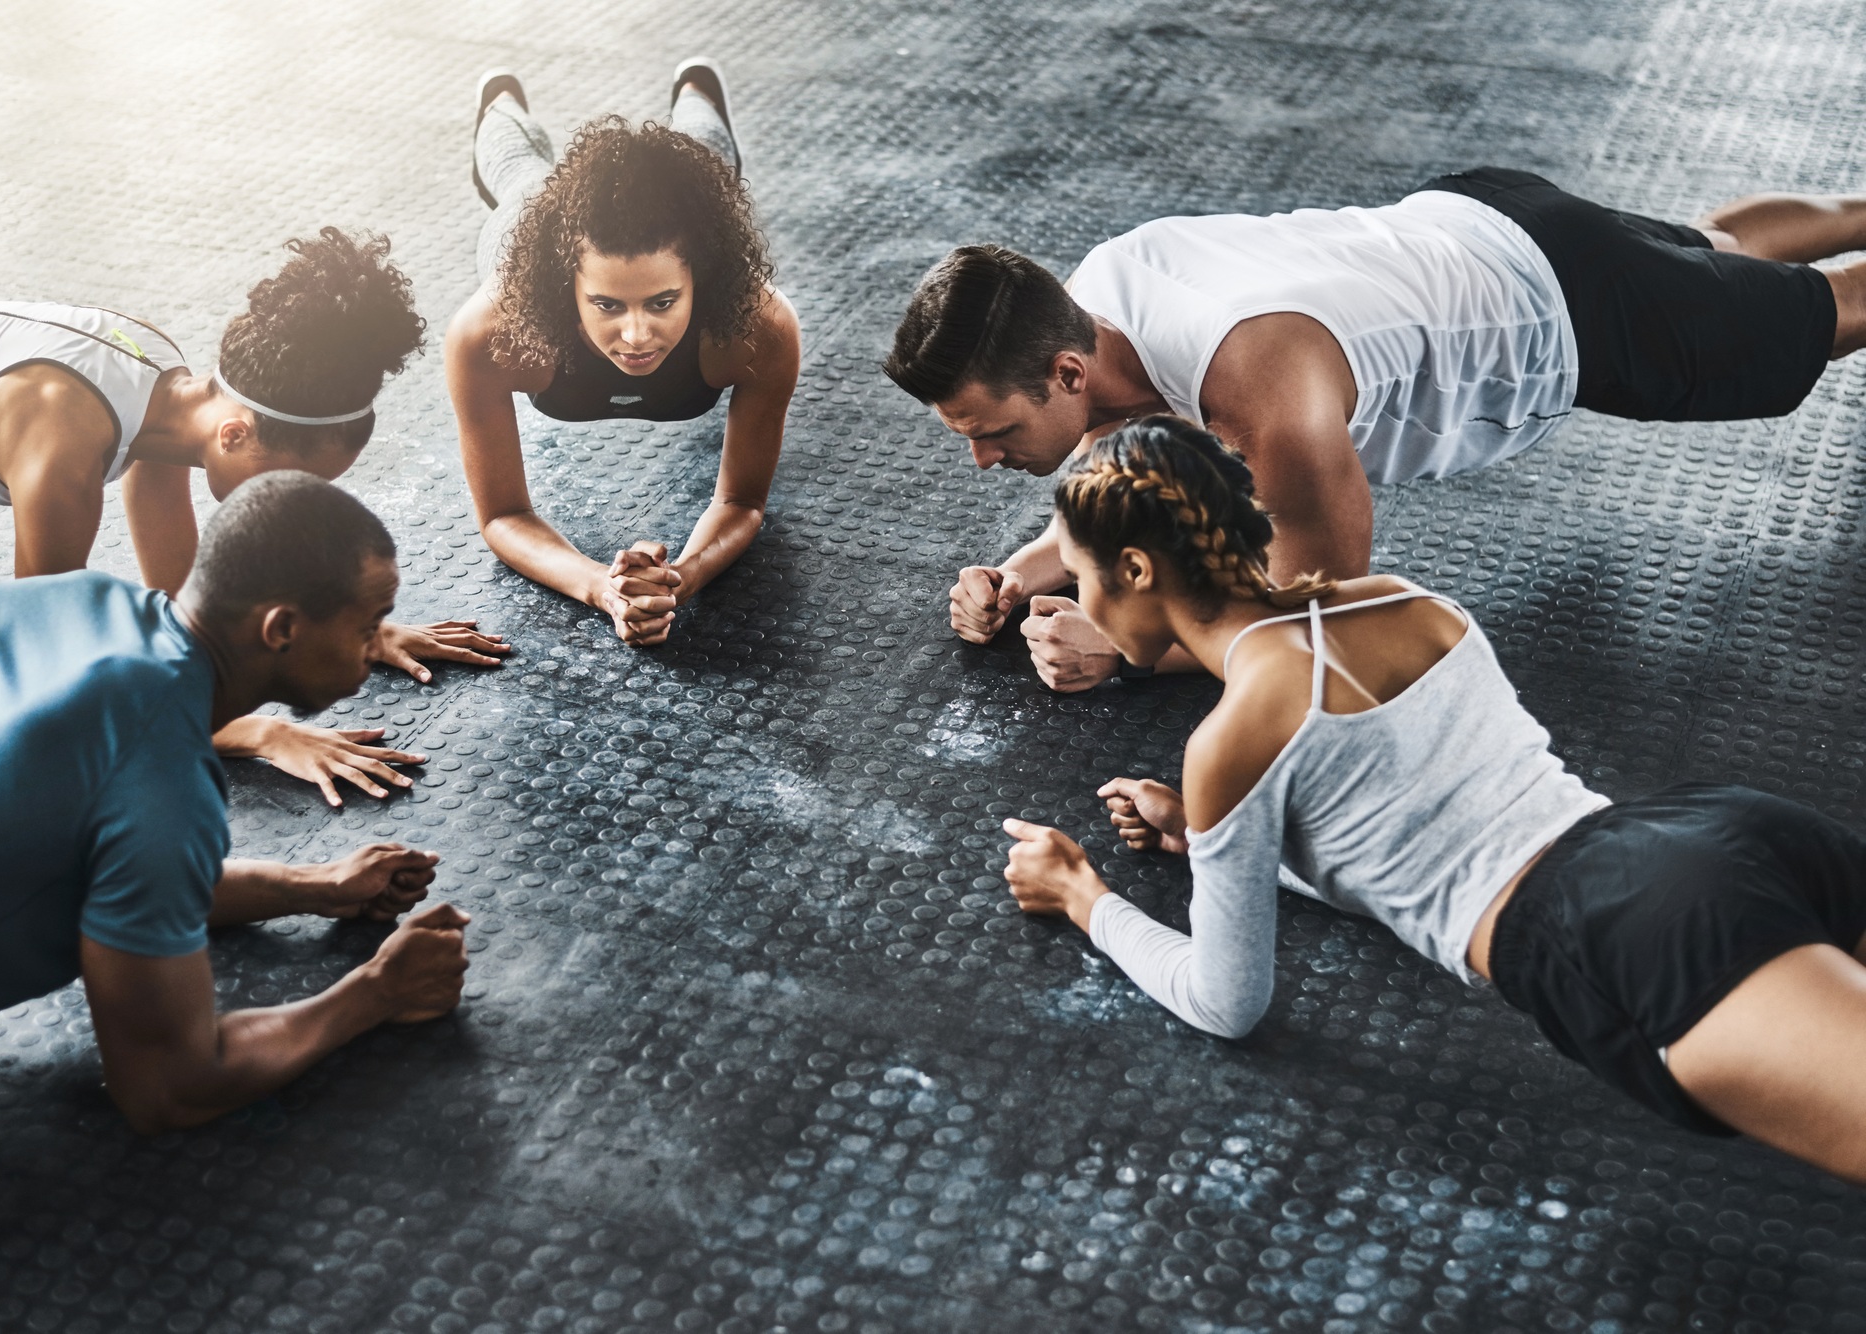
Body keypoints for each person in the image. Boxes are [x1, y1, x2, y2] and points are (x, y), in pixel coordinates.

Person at [997, 415, 1866, 1182]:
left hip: (1623, 932)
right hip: (1707, 831)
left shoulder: (1232, 739)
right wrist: (1211, 835)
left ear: (1138, 568)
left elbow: (1226, 1003)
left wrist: (1083, 895)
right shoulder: (1403, 600)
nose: (1079, 602)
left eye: (1082, 577)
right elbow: (1406, 852)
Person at [883, 171, 1866, 691]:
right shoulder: (1087, 307)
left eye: (993, 430)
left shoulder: (1261, 386)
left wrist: (1129, 645)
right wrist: (1018, 576)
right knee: (1712, 256)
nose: (979, 458)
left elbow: (1325, 609)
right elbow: (1119, 469)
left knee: (1821, 319)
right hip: (1476, 211)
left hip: (1559, 313)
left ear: (1063, 374)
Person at [0, 472, 471, 1134]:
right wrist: (379, 991)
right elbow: (168, 1088)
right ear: (282, 628)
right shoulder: (163, 783)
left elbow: (114, 868)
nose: (376, 645)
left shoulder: (70, 600)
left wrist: (317, 887)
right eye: (370, 623)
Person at [0, 228, 511, 805]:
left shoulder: (161, 391)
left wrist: (341, 631)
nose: (292, 501)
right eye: (292, 480)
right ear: (233, 435)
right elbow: (42, 681)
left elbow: (183, 605)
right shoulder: (62, 453)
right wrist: (259, 730)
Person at [448, 59, 799, 645]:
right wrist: (601, 587)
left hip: (692, 193)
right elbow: (502, 515)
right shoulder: (493, 334)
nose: (636, 336)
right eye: (608, 305)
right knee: (521, 177)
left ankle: (696, 90)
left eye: (662, 302)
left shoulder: (759, 329)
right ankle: (500, 102)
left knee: (704, 162)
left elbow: (742, 500)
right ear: (568, 287)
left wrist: (677, 579)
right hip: (525, 224)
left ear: (701, 282)